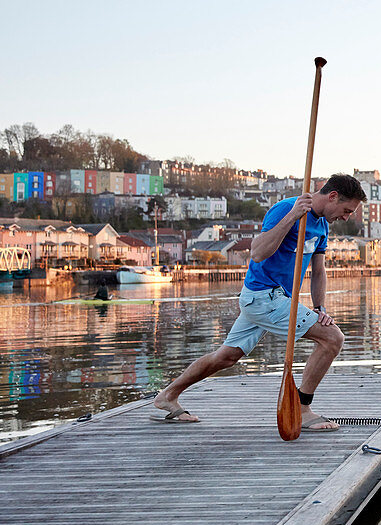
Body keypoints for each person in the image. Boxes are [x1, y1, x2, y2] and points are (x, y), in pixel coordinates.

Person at [151, 173, 366, 431]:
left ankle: (167, 396)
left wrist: (320, 309)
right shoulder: (285, 209)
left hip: (273, 299)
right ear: (332, 196)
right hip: (264, 296)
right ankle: (302, 409)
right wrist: (291, 218)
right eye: (346, 210)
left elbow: (318, 271)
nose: (346, 217)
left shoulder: (322, 226)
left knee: (226, 357)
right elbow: (258, 252)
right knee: (333, 339)